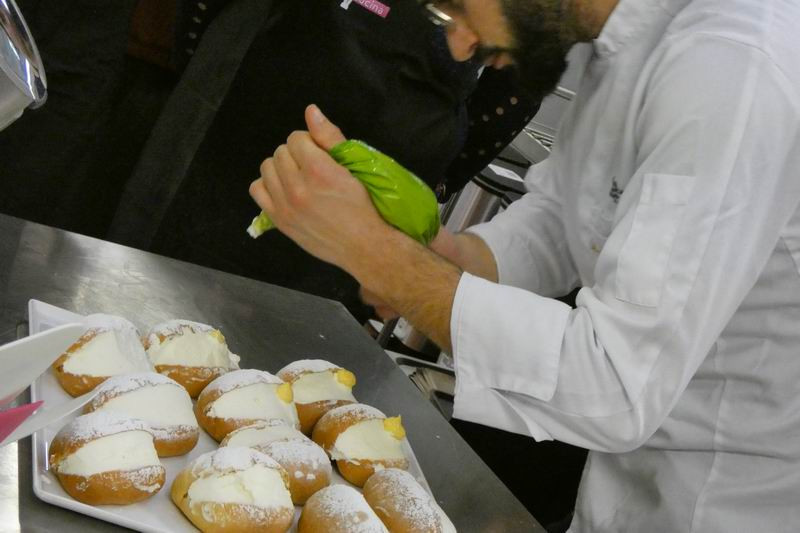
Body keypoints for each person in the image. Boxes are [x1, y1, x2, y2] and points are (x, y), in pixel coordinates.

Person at [248, 0, 800, 531]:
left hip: (723, 497)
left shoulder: (730, 68)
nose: (461, 46)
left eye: (457, 6)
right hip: (628, 481)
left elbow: (615, 382)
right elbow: (569, 214)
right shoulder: (614, 35)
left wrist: (378, 255)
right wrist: (445, 257)